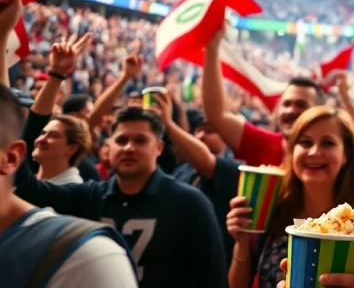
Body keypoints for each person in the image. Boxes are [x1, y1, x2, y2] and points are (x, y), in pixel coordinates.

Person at [14, 102, 226, 288]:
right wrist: (55, 77)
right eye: (121, 140)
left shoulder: (189, 203)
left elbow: (212, 280)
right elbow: (26, 187)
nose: (128, 148)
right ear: (109, 146)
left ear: (159, 148)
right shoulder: (90, 197)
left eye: (140, 141)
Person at [225, 106, 354, 288]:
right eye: (305, 142)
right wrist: (242, 242)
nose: (313, 152)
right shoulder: (271, 209)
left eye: (327, 143)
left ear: (346, 154)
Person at [0, 83, 138, 288]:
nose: (41, 140)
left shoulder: (88, 258)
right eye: (43, 133)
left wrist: (56, 76)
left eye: (53, 135)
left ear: (12, 158)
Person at [202, 30, 323, 166]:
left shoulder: (326, 160)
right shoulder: (263, 144)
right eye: (286, 104)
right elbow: (216, 116)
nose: (290, 110)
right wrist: (212, 48)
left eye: (301, 105)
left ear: (318, 113)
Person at [151, 93, 240, 267]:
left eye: (209, 131)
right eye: (198, 130)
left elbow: (206, 160)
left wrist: (168, 123)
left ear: (226, 137)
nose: (200, 136)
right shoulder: (180, 172)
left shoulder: (232, 170)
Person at [32, 114, 92, 184]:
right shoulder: (25, 180)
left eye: (54, 136)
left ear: (72, 149)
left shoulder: (72, 190)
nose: (41, 139)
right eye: (43, 133)